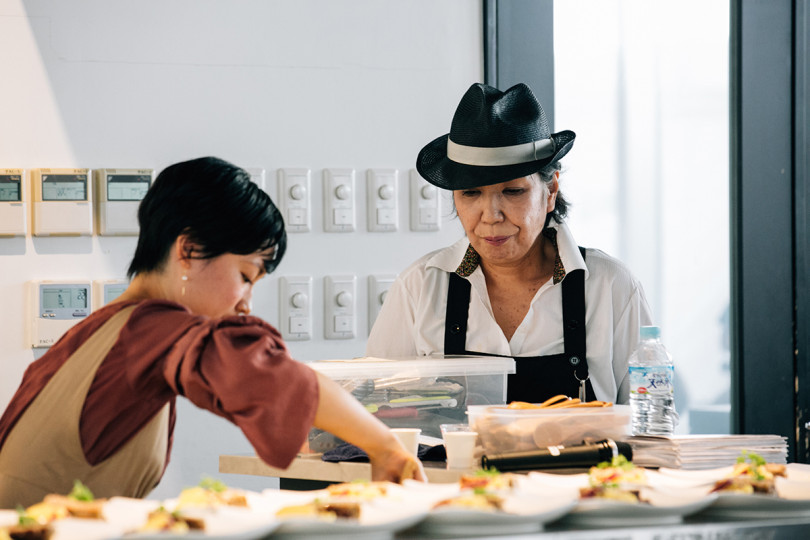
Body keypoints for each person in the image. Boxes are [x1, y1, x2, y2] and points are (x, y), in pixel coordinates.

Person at [0, 157, 424, 508]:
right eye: (245, 275)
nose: (246, 304)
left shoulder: (99, 329)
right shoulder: (149, 330)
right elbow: (266, 374)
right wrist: (385, 446)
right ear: (187, 250)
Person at [366, 83, 653, 405]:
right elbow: (378, 409)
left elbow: (649, 421)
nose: (491, 216)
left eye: (513, 191)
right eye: (471, 193)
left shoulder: (610, 286)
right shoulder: (420, 286)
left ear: (551, 190)